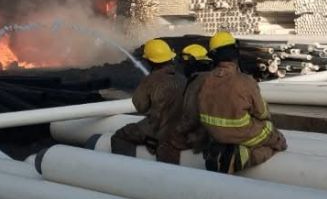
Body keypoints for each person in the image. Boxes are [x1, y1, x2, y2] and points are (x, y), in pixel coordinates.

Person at [196, 31, 287, 173]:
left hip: (213, 134)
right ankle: (240, 157)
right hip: (240, 133)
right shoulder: (245, 81)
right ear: (234, 53)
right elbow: (262, 113)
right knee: (276, 139)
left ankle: (224, 150)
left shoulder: (204, 80)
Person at [111, 38, 186, 161]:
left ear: (150, 61)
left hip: (161, 128)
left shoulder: (151, 80)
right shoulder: (182, 78)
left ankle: (125, 168)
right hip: (184, 128)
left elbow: (140, 106)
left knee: (120, 137)